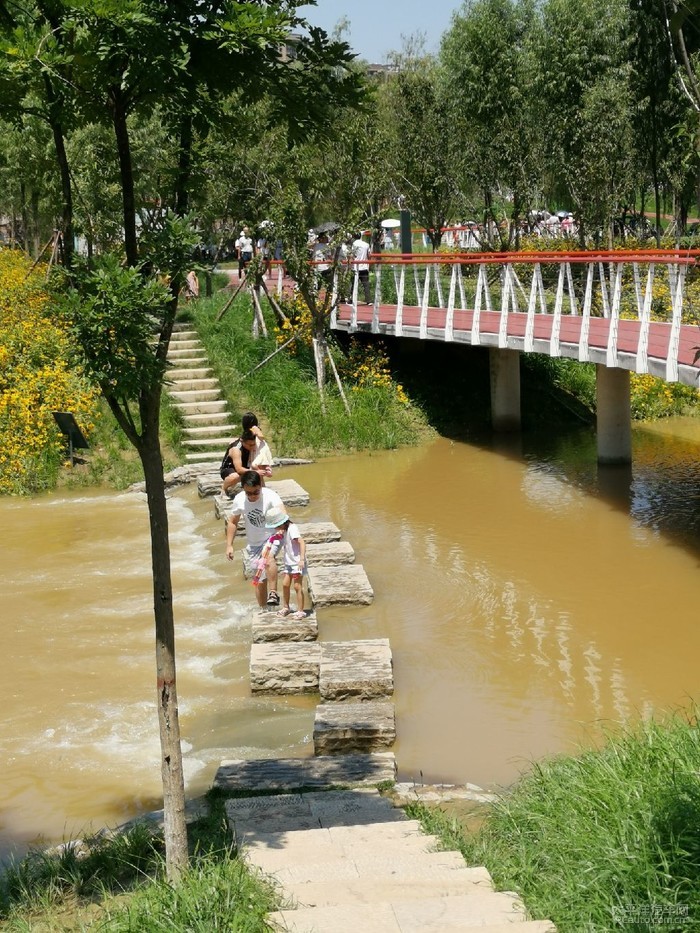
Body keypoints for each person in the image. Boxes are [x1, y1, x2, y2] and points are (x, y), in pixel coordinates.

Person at [225, 471, 283, 608]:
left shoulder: (271, 496)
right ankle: (264, 610)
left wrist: (284, 530)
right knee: (259, 579)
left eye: (255, 492)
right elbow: (233, 522)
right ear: (243, 489)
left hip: (273, 536)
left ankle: (273, 593)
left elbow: (283, 513)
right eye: (248, 493)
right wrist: (229, 545)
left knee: (267, 557)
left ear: (261, 487)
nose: (252, 496)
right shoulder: (239, 499)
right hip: (254, 544)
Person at [263, 506, 307, 619]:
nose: (275, 528)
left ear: (281, 523)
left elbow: (301, 542)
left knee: (297, 587)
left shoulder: (292, 528)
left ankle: (300, 610)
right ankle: (286, 607)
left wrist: (302, 559)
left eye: (276, 526)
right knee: (285, 584)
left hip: (297, 563)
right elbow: (276, 542)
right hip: (289, 563)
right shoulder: (284, 531)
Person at [351, 232, 371, 304]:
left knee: (354, 284)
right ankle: (368, 300)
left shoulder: (354, 244)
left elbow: (352, 254)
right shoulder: (366, 244)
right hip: (364, 266)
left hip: (356, 267)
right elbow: (369, 255)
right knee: (366, 284)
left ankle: (352, 298)